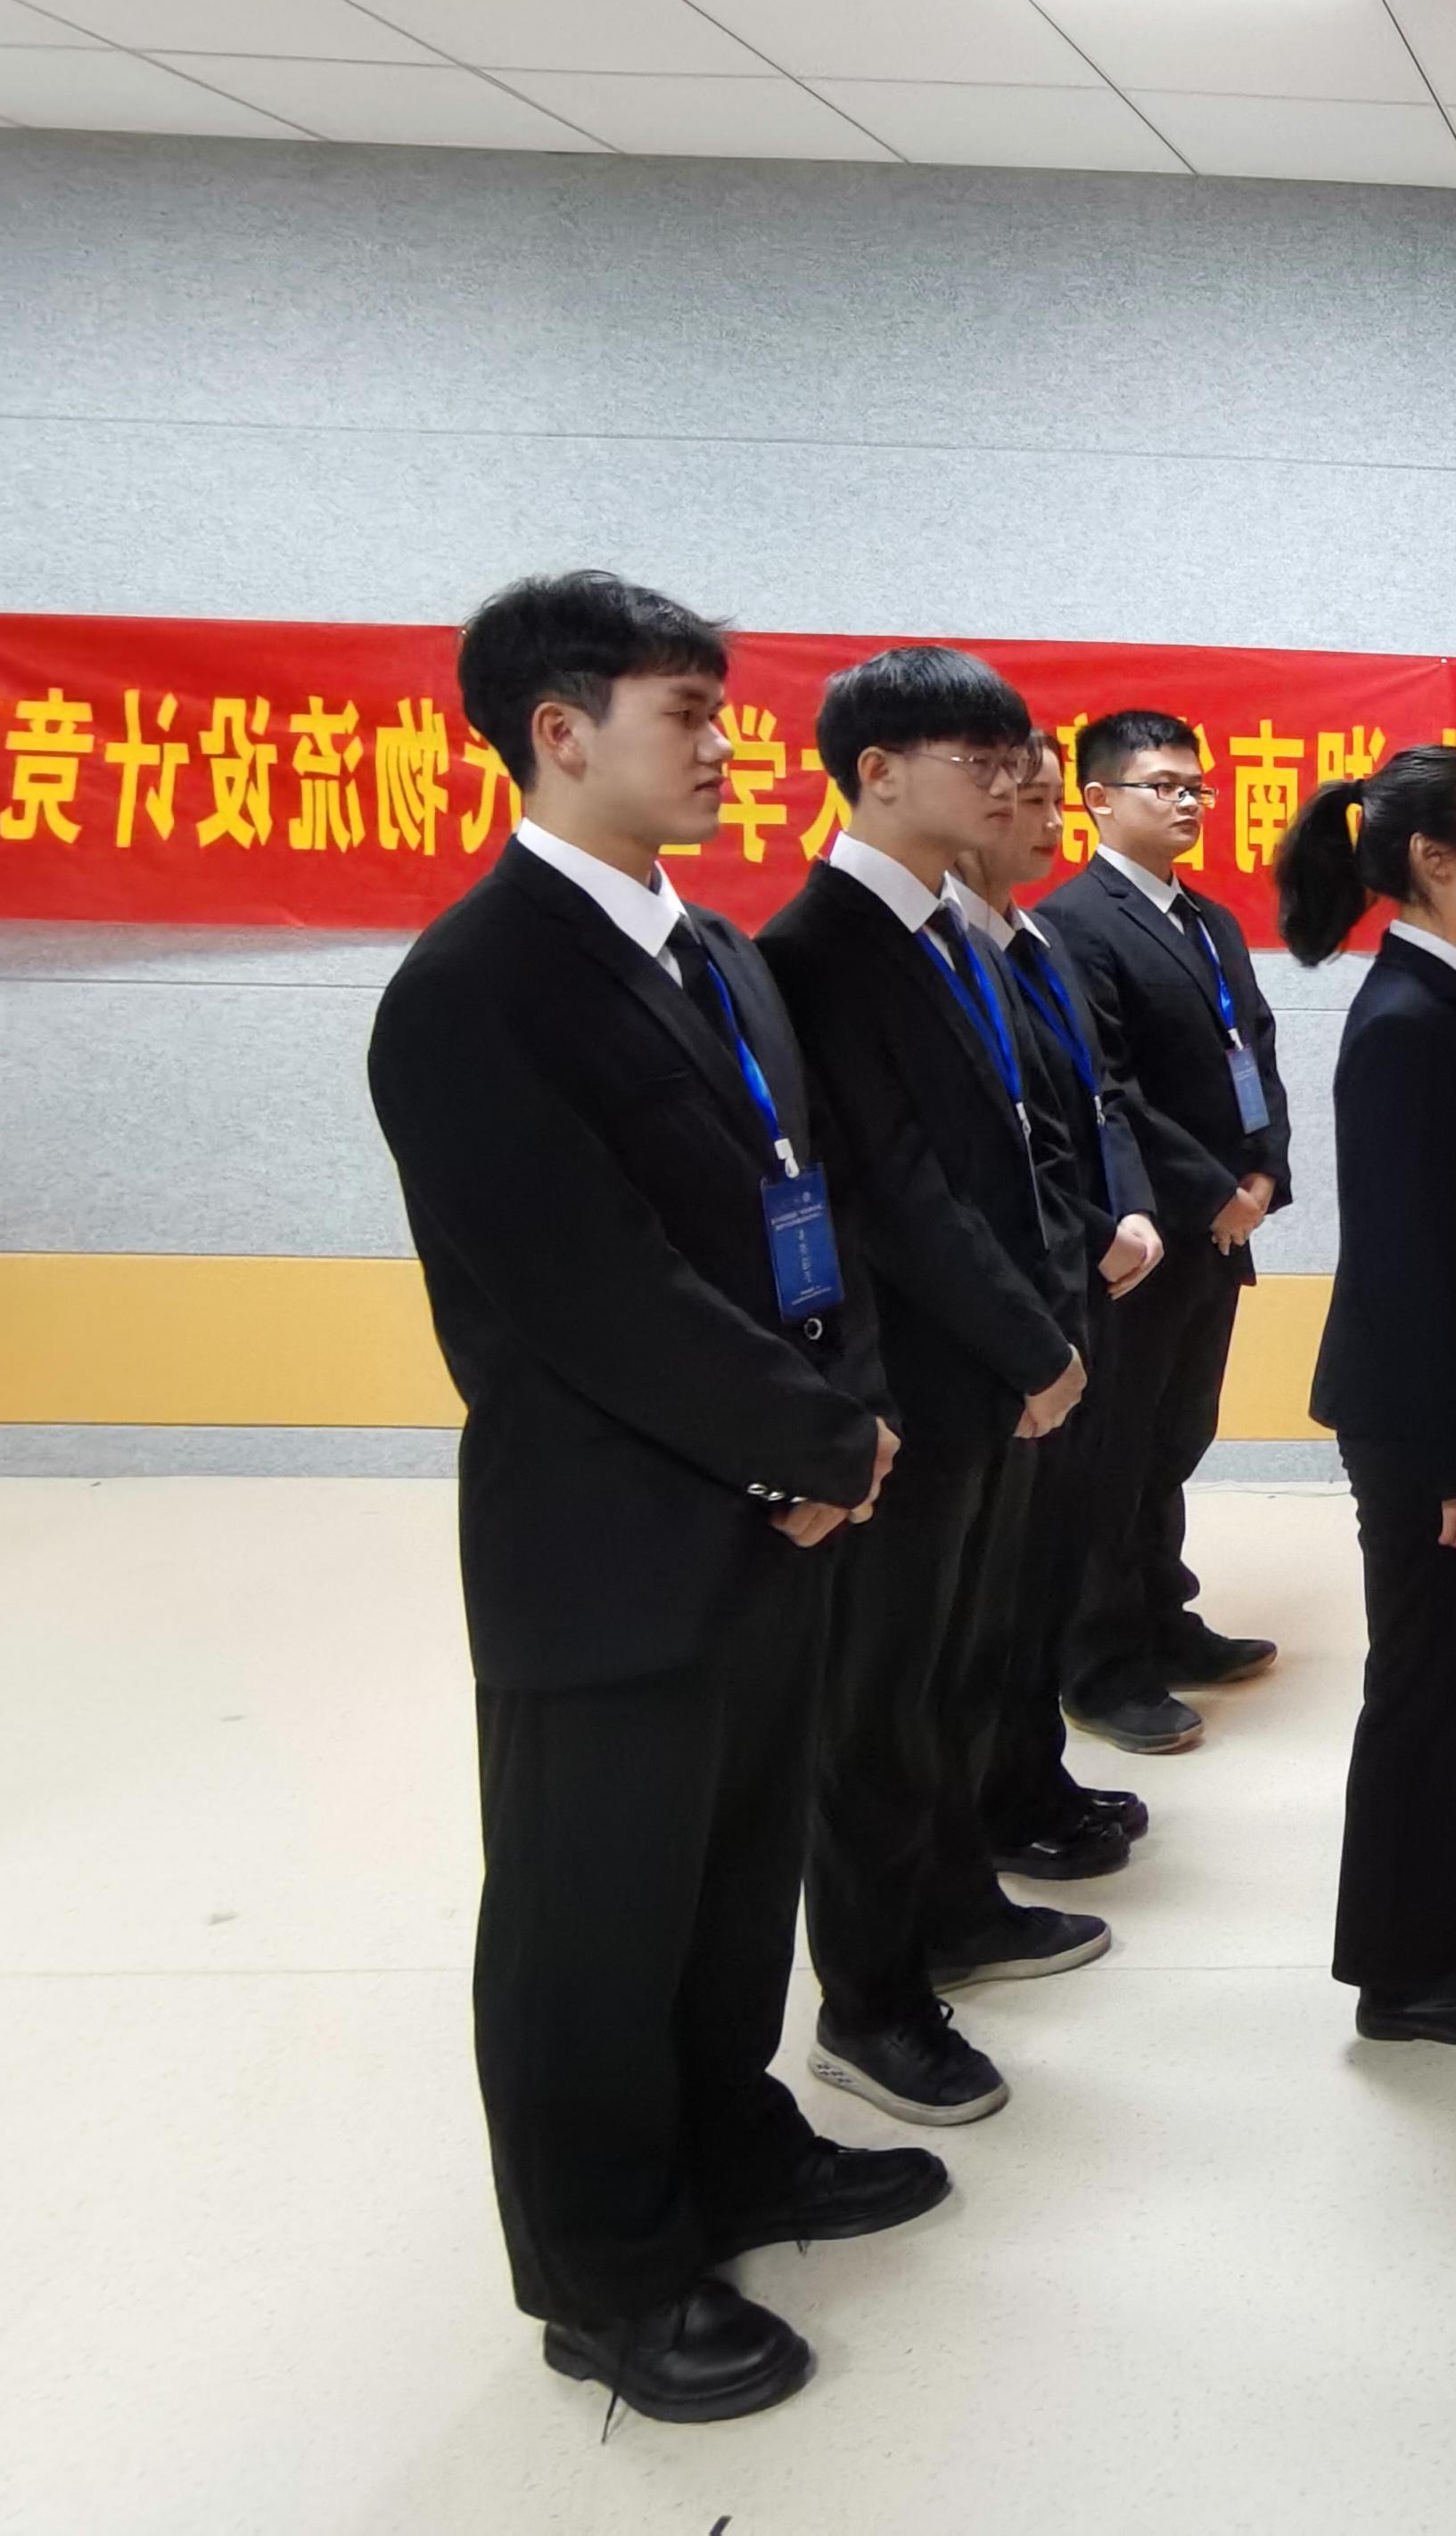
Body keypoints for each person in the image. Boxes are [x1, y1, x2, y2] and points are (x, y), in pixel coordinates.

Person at [368, 571, 934, 2427]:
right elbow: (597, 1295)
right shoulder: (473, 992)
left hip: (771, 1520)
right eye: (686, 713)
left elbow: (809, 1214)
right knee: (589, 1923)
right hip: (609, 1545)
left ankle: (732, 2150)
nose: (723, 747)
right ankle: (604, 2275)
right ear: (559, 731)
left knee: (729, 1882)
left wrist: (848, 1419)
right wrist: (820, 1445)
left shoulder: (717, 954)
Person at [759, 648, 1100, 2128]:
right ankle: (869, 2002)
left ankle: (954, 1906)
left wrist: (1042, 1330)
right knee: (877, 1707)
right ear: (877, 772)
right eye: (976, 755)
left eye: (1011, 752)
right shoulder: (821, 944)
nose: (1009, 780)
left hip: (986, 1377)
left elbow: (1011, 1151)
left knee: (954, 1671)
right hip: (909, 1390)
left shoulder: (949, 932)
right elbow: (898, 1195)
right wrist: (1035, 1346)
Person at [1273, 745, 1456, 2046]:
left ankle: (1446, 1915)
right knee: (1423, 1685)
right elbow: (1405, 1264)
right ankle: (1399, 1975)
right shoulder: (1403, 1023)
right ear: (1434, 860)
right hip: (1424, 1423)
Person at [1034, 709, 1290, 1756]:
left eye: (1197, 786)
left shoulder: (1209, 919)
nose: (1187, 801)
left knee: (1176, 1436)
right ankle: (1099, 1664)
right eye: (1162, 785)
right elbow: (1110, 1089)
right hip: (1144, 1235)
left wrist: (1265, 1171)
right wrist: (1209, 1190)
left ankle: (1161, 1616)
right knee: (1115, 1449)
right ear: (1096, 800)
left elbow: (1255, 1048)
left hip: (1223, 1227)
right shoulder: (1073, 921)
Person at [952, 733, 1165, 1883]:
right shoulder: (955, 957)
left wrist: (1129, 1209)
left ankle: (1036, 1772)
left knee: (1050, 1564)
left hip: (1088, 1287)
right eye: (1021, 802)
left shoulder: (1033, 941)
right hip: (1023, 1305)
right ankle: (999, 1796)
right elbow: (1000, 1159)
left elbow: (1099, 1105)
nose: (1043, 825)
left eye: (1048, 803)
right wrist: (1090, 1234)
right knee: (998, 1589)